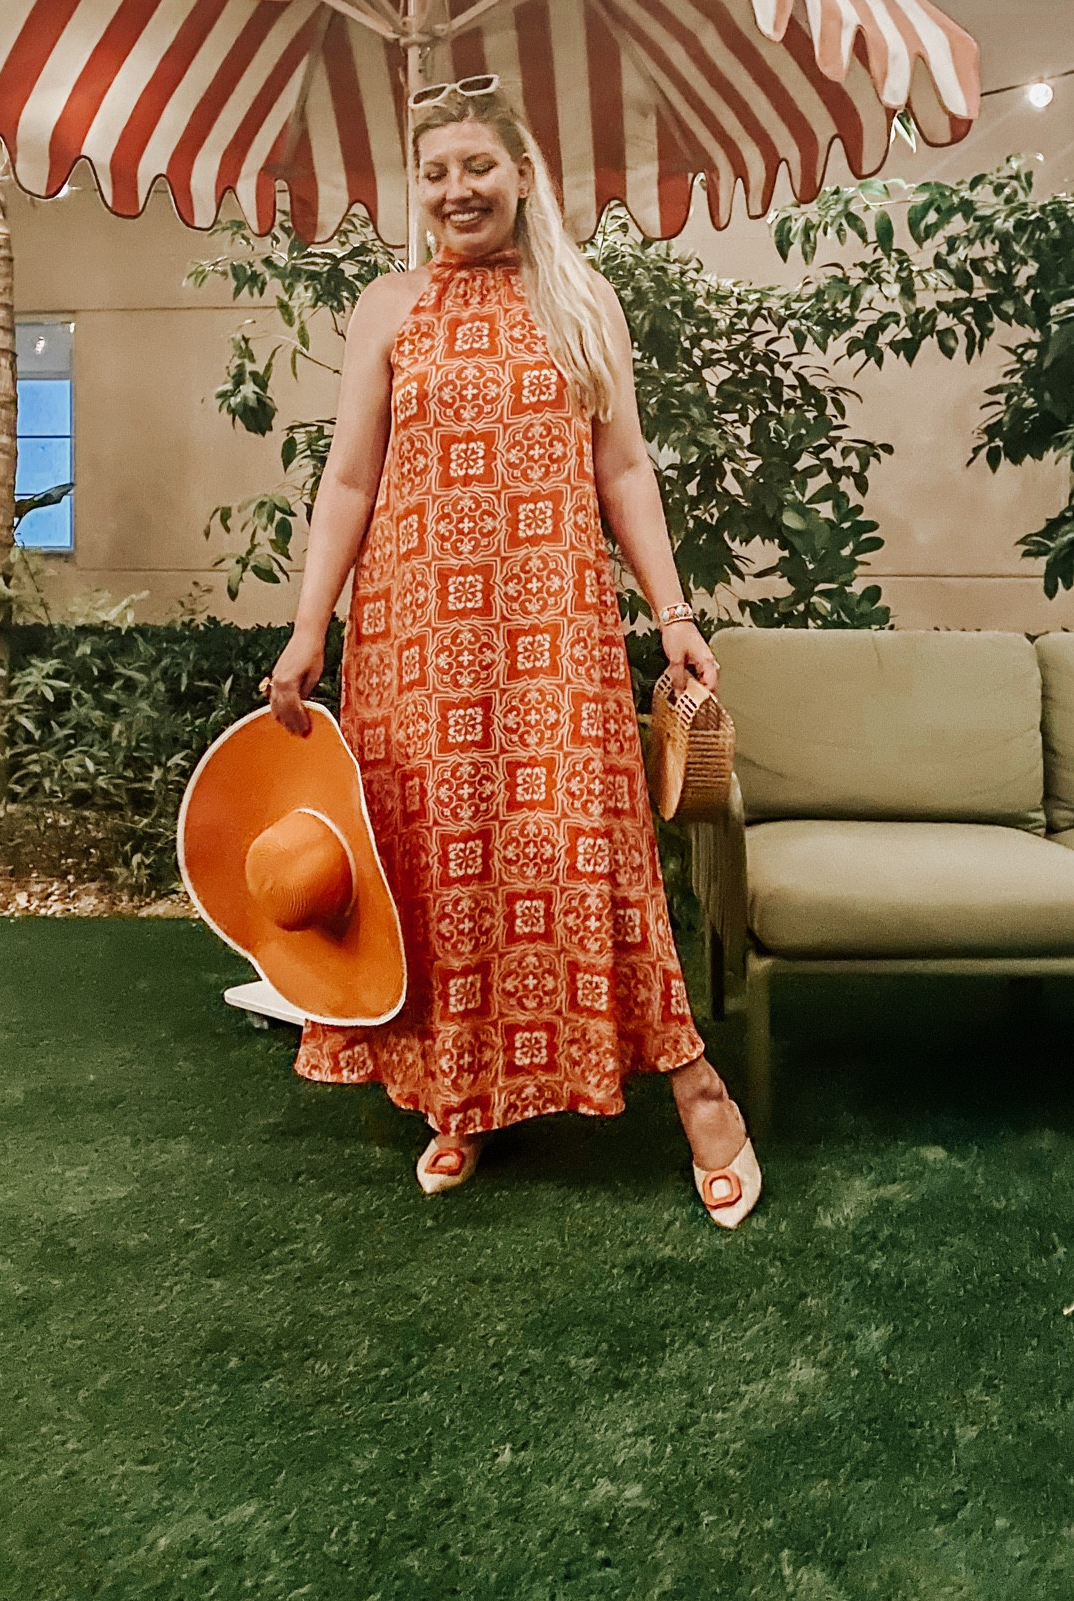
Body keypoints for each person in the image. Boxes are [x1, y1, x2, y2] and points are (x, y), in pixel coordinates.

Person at [266, 76, 760, 1227]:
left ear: (523, 174)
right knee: (438, 856)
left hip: (553, 632)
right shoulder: (386, 308)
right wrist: (305, 626)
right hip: (413, 636)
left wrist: (675, 615)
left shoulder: (583, 300)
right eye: (435, 172)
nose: (455, 190)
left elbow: (624, 471)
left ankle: (696, 1088)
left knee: (583, 844)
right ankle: (457, 1096)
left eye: (477, 166)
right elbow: (347, 478)